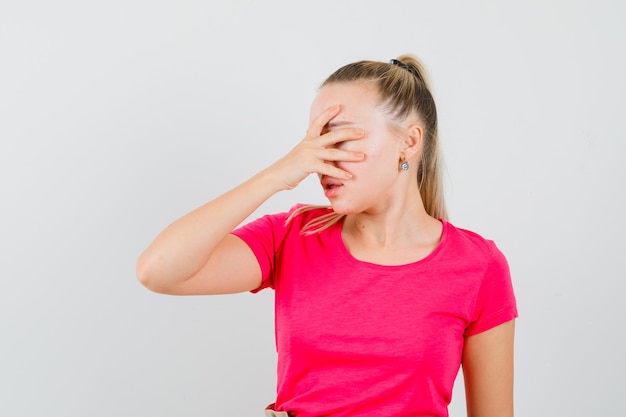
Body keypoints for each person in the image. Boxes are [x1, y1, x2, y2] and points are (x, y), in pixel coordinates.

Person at [136, 54, 518, 417]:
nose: (320, 160)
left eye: (340, 140)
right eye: (314, 143)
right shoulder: (290, 237)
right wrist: (276, 175)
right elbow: (159, 271)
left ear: (409, 141)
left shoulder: (478, 266)